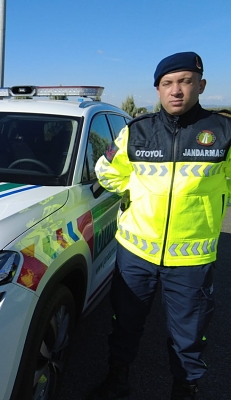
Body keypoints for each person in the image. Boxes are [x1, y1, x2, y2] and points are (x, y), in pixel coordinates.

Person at [89, 52, 231, 400]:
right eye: (168, 83)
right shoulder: (137, 131)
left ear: (201, 84)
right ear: (158, 90)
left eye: (185, 81)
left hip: (191, 258)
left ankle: (184, 390)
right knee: (125, 324)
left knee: (189, 334)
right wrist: (134, 191)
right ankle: (116, 382)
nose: (176, 90)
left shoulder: (224, 132)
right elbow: (107, 172)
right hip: (136, 252)